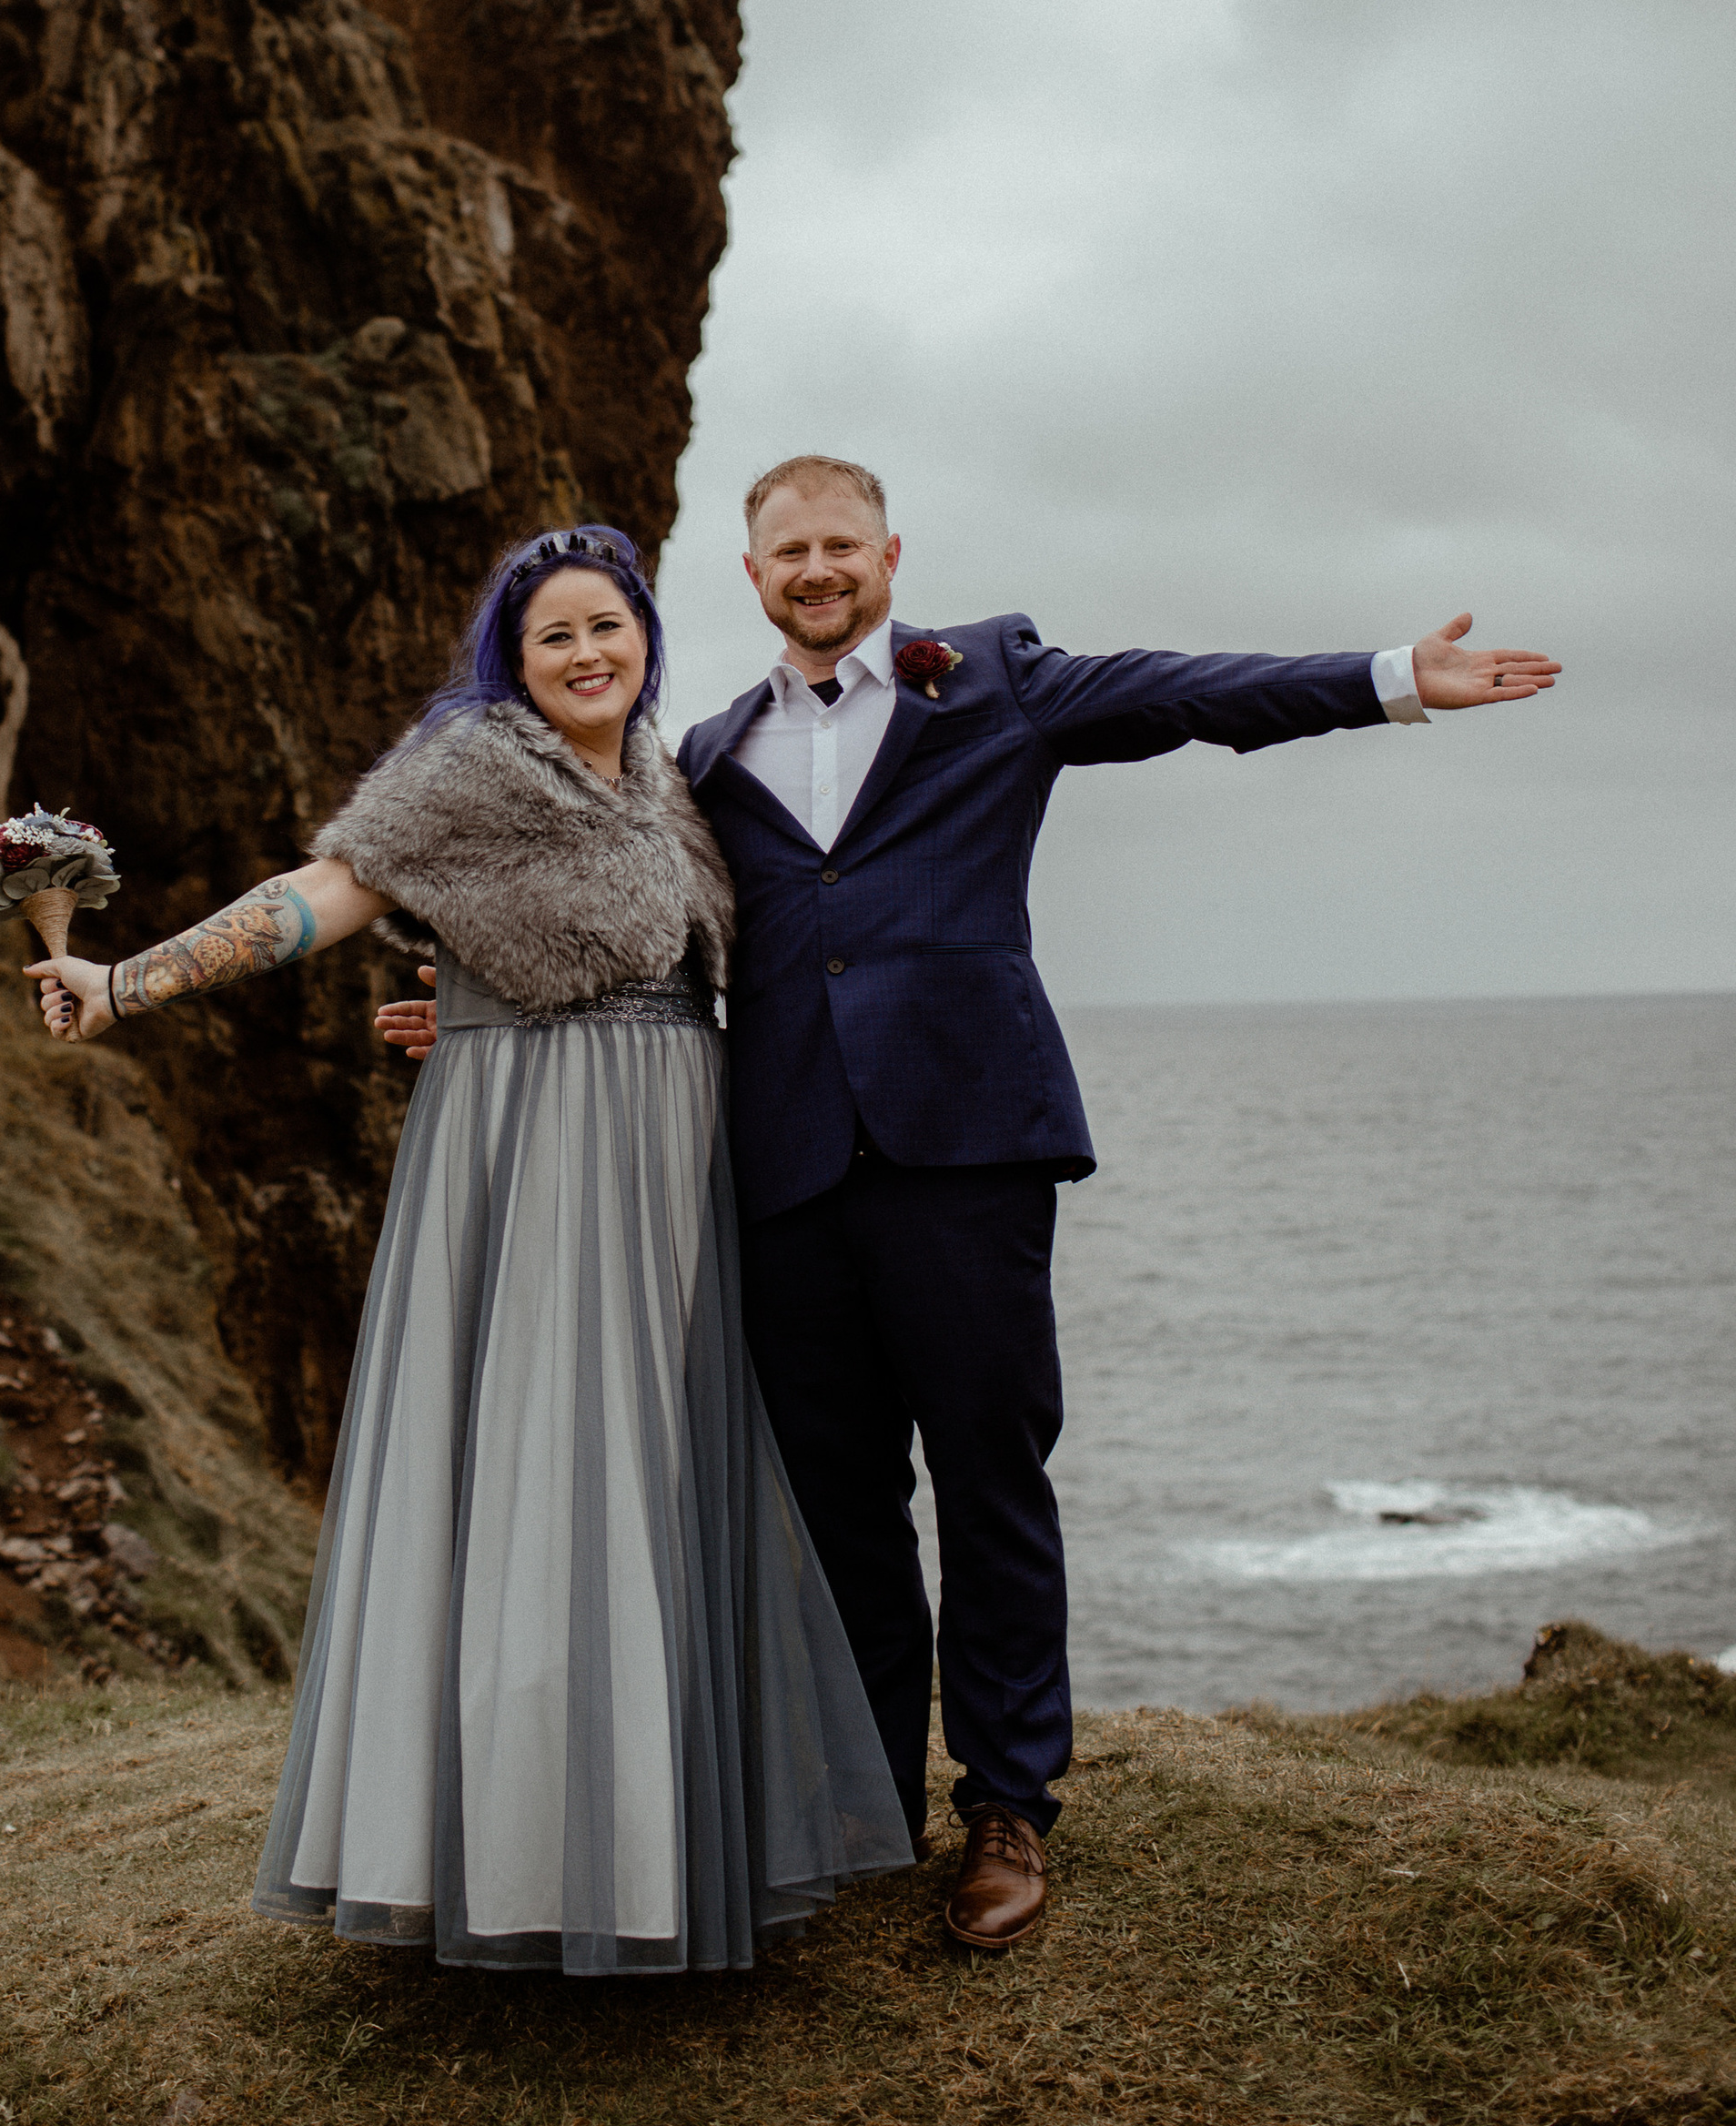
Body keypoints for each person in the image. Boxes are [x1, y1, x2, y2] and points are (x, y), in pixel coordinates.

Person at [381, 457, 1561, 1958]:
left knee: (992, 1482)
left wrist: (1390, 678)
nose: (817, 569)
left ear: (888, 555)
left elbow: (1184, 695)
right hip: (787, 1171)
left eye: (840, 544)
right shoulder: (709, 756)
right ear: (753, 578)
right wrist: (482, 1010)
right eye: (789, 551)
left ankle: (1009, 1803)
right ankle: (869, 1802)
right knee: (841, 1511)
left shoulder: (994, 680)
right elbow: (633, 927)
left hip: (967, 1155)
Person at [25, 522, 912, 1976]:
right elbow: (321, 896)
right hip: (546, 1157)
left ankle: (655, 1841)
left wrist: (486, 1002)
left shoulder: (667, 784)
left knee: (655, 1486)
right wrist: (126, 985)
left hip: (675, 1169)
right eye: (555, 634)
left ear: (647, 638)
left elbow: (665, 968)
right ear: (514, 657)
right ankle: (530, 1860)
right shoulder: (468, 771)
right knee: (550, 1482)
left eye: (608, 626)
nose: (586, 653)